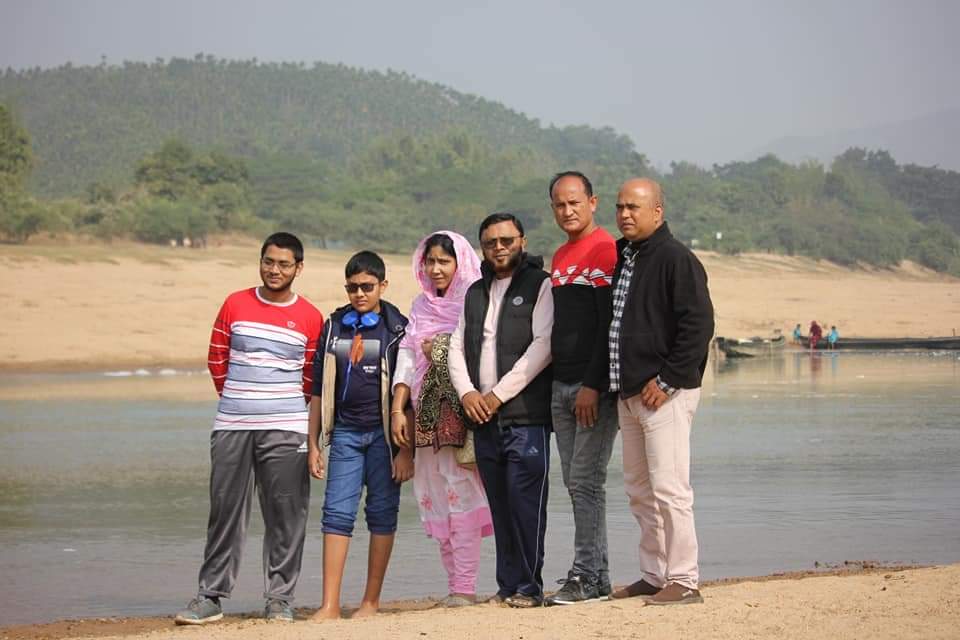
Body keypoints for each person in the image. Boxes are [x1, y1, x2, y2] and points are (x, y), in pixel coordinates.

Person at [174, 232, 324, 625]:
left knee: (286, 514)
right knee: (224, 511)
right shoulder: (235, 304)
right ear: (260, 262)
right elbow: (217, 358)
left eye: (284, 264)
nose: (274, 270)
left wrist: (282, 409)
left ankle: (279, 600)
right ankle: (210, 597)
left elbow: (312, 379)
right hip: (233, 424)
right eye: (268, 262)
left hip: (287, 427)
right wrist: (241, 400)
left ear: (298, 268)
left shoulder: (311, 317)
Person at [607, 178, 714, 606]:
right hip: (629, 391)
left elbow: (699, 325)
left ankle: (684, 580)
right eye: (620, 207)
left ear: (657, 212)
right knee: (639, 489)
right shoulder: (626, 257)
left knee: (670, 489)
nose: (625, 214)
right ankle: (654, 574)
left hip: (664, 392)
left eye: (634, 207)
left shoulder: (676, 258)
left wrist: (668, 379)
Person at [448, 212, 554, 608]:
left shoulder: (540, 285)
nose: (499, 248)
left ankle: (529, 587)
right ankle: (507, 586)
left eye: (506, 240)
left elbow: (543, 346)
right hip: (482, 418)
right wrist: (468, 394)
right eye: (491, 242)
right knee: (500, 505)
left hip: (525, 417)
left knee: (526, 504)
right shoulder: (474, 292)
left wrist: (497, 396)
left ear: (522, 241)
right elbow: (457, 346)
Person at [390, 231, 494, 607]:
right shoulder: (420, 306)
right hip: (424, 413)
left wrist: (441, 348)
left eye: (444, 262)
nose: (435, 269)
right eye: (430, 261)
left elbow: (482, 349)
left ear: (460, 263)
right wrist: (398, 408)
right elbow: (407, 355)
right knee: (435, 495)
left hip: (460, 412)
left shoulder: (475, 301)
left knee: (460, 493)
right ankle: (454, 586)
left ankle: (465, 587)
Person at [307, 251, 412, 620]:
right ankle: (330, 604)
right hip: (346, 435)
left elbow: (409, 391)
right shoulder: (334, 326)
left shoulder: (398, 328)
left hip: (385, 439)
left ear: (383, 285)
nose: (360, 294)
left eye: (367, 287)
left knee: (382, 513)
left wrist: (407, 451)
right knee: (336, 513)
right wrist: (313, 444)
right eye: (352, 288)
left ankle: (370, 602)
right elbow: (318, 389)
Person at [544, 171, 619, 605]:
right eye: (560, 204)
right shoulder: (560, 256)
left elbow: (607, 325)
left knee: (586, 481)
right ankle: (599, 576)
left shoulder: (605, 249)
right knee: (576, 483)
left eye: (575, 202)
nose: (567, 210)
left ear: (593, 202)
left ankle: (585, 576)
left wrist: (594, 384)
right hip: (562, 385)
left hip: (592, 389)